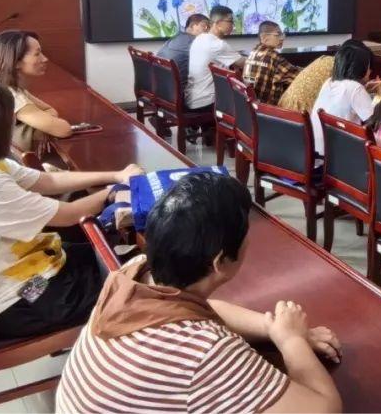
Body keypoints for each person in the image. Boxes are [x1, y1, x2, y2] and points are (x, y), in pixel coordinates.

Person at [56, 172, 342, 413]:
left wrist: (274, 328)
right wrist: (292, 341)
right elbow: (323, 408)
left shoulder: (134, 272)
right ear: (220, 262)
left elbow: (204, 311)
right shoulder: (205, 351)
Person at [0, 77, 142, 341]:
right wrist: (114, 191)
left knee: (124, 254)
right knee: (143, 280)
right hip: (24, 299)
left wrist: (116, 175)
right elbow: (69, 215)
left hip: (33, 273)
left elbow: (47, 181)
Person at [0, 30, 72, 150]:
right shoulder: (10, 95)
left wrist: (41, 126)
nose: (45, 59)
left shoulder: (3, 85)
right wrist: (43, 126)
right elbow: (64, 130)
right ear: (16, 62)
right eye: (37, 54)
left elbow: (50, 110)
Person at [311, 42, 376, 156]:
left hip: (318, 152)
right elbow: (375, 123)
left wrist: (364, 89)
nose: (370, 71)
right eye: (368, 66)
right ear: (360, 68)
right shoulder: (355, 88)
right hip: (339, 157)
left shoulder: (329, 82)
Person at [187, 5, 244, 110]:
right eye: (230, 21)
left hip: (193, 98)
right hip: (209, 102)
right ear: (218, 23)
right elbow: (244, 64)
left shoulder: (199, 38)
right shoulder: (218, 45)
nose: (233, 25)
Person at [243, 21, 300, 104]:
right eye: (278, 35)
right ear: (264, 37)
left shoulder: (253, 52)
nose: (282, 38)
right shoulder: (273, 56)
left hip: (252, 105)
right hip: (268, 108)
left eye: (282, 34)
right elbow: (299, 76)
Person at [155, 13, 211, 84]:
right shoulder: (194, 42)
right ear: (193, 26)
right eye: (205, 27)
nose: (208, 31)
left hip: (160, 84)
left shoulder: (175, 38)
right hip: (178, 87)